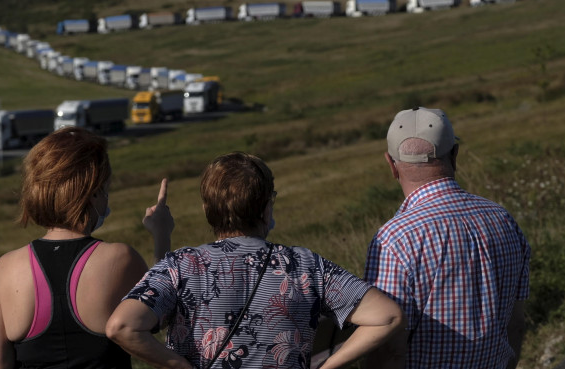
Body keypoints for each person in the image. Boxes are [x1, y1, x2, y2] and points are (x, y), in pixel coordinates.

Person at [106, 151, 404, 369]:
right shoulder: (304, 265)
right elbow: (386, 316)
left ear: (207, 210)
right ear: (265, 209)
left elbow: (122, 326)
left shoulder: (183, 265)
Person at [0, 127, 174, 369]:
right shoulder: (119, 259)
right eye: (106, 189)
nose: (106, 198)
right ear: (92, 193)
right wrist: (162, 235)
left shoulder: (6, 268)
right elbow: (165, 312)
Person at [364, 107, 532, 369]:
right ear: (454, 156)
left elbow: (389, 347)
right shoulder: (502, 218)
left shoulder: (394, 239)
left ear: (391, 165)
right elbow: (516, 324)